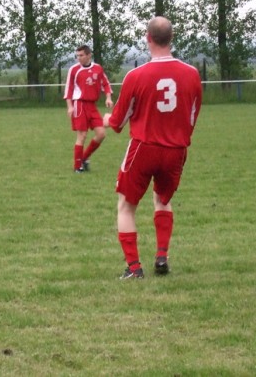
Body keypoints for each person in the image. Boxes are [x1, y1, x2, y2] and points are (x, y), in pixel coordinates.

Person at [103, 16, 202, 279]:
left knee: (125, 206)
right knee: (163, 200)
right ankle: (161, 256)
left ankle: (134, 268)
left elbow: (118, 122)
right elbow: (192, 115)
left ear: (148, 38)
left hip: (144, 147)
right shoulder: (192, 74)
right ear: (171, 38)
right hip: (176, 149)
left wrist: (107, 119)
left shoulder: (136, 75)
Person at [63, 45, 113, 173]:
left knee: (101, 134)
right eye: (77, 55)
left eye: (81, 55)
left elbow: (105, 84)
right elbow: (68, 89)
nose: (78, 58)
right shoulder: (74, 70)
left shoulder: (97, 68)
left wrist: (108, 98)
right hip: (79, 104)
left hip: (92, 106)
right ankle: (77, 166)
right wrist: (70, 106)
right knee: (82, 135)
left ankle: (84, 158)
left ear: (89, 55)